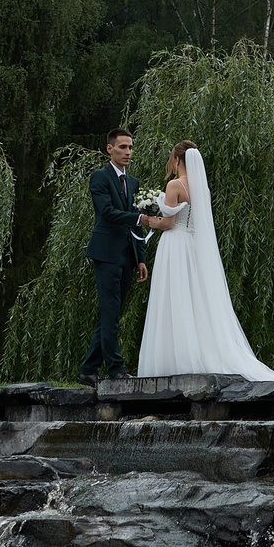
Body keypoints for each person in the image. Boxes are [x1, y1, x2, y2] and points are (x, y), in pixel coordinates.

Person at [135, 141, 274, 380]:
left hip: (175, 245)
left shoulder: (174, 185)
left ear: (176, 160)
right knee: (194, 298)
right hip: (194, 247)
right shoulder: (202, 189)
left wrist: (146, 219)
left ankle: (173, 359)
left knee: (174, 297)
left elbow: (169, 223)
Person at [81, 127, 150, 382]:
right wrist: (140, 216)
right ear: (109, 148)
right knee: (110, 311)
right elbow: (106, 212)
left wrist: (141, 257)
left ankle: (88, 369)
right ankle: (115, 369)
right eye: (123, 147)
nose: (128, 152)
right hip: (106, 253)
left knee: (113, 312)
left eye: (130, 147)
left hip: (127, 255)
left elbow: (136, 225)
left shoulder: (133, 182)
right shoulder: (100, 177)